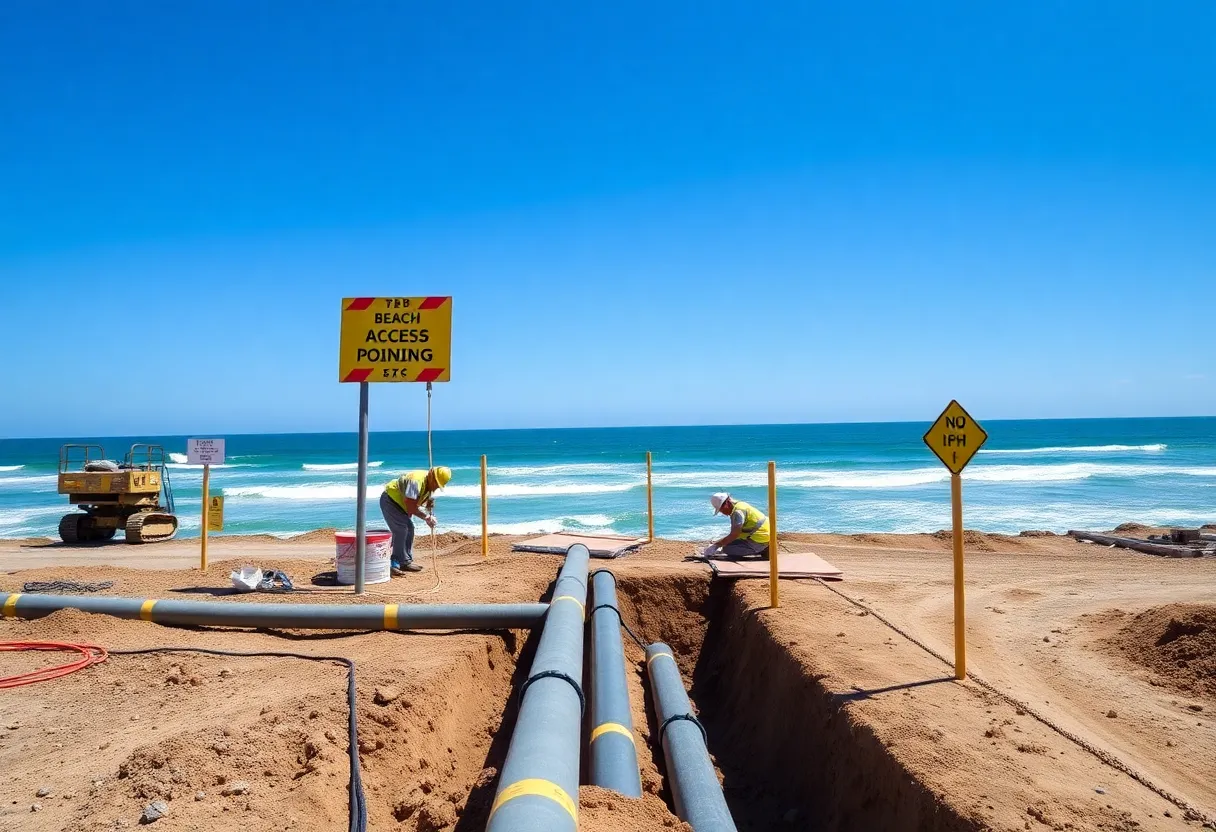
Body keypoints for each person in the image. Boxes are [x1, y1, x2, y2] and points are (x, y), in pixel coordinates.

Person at [379, 466, 452, 576]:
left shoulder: (428, 484)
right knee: (401, 530)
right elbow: (411, 507)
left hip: (401, 504)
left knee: (410, 529)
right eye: (436, 484)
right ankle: (394, 564)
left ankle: (405, 562)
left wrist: (428, 504)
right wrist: (426, 517)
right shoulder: (415, 481)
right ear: (432, 476)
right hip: (391, 500)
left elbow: (417, 501)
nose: (436, 487)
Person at [701, 491, 770, 558]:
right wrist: (718, 544)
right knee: (728, 544)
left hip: (760, 538)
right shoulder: (740, 505)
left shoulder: (737, 512)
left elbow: (734, 534)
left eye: (722, 509)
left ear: (727, 503)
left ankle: (762, 549)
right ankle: (764, 547)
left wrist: (716, 545)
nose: (723, 513)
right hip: (765, 534)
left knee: (728, 549)